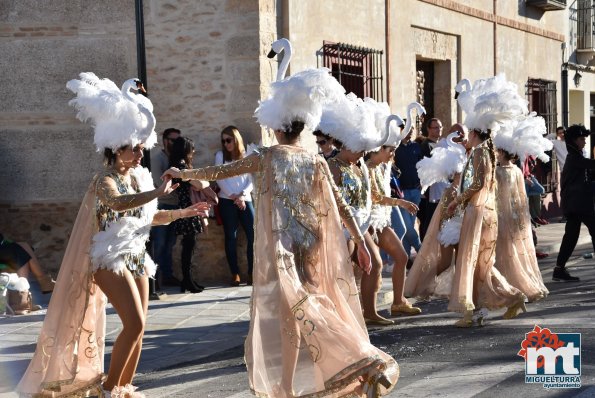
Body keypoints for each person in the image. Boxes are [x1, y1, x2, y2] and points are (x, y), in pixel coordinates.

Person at [164, 67, 398, 397]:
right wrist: (359, 240)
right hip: (311, 243)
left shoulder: (268, 157)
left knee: (306, 311)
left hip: (285, 249)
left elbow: (221, 171)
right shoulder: (315, 160)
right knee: (298, 316)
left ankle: (365, 361)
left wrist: (183, 172)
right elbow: (341, 206)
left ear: (276, 128)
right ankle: (288, 387)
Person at [17, 74, 209, 397]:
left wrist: (181, 213)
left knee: (140, 329)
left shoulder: (140, 177)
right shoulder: (103, 181)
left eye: (139, 148)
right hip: (109, 260)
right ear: (114, 149)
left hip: (136, 259)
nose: (138, 154)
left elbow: (149, 217)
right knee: (132, 323)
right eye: (131, 149)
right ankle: (108, 390)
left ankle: (123, 389)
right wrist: (155, 194)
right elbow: (119, 204)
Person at [445, 128, 526, 326]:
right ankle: (503, 301)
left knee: (471, 262)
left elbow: (477, 183)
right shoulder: (485, 150)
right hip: (484, 212)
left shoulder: (480, 151)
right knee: (481, 264)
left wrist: (457, 200)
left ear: (474, 133)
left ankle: (472, 312)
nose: (466, 137)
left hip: (477, 213)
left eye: (468, 133)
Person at [365, 145, 422, 317]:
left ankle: (398, 302)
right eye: (390, 150)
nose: (393, 154)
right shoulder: (367, 168)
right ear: (379, 149)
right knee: (368, 266)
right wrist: (400, 202)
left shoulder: (381, 166)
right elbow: (375, 196)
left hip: (381, 221)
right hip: (368, 223)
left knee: (401, 256)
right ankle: (366, 311)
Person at [494, 149, 549, 301]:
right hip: (514, 214)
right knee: (514, 249)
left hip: (501, 214)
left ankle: (508, 284)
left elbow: (495, 195)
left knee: (503, 250)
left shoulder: (497, 172)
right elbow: (521, 196)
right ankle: (516, 282)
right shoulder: (517, 170)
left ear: (502, 153)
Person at [555, 124, 595, 282]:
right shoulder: (574, 158)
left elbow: (588, 173)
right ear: (573, 141)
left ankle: (559, 269)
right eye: (581, 139)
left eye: (585, 138)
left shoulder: (576, 156)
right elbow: (590, 166)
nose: (584, 141)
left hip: (575, 204)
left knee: (571, 237)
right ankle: (559, 269)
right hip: (578, 204)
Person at [215, 126, 255, 286]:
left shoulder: (247, 154)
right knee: (230, 236)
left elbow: (252, 179)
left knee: (253, 236)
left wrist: (242, 195)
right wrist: (233, 196)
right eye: (223, 141)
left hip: (245, 200)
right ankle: (235, 274)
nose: (226, 144)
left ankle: (252, 273)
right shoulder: (220, 156)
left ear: (236, 139)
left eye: (228, 140)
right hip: (227, 200)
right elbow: (219, 177)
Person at [170, 136, 210, 293]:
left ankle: (188, 280)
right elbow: (199, 184)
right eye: (191, 149)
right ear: (185, 150)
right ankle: (187, 280)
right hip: (188, 208)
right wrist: (203, 182)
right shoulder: (180, 167)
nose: (193, 152)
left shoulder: (178, 166)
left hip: (187, 207)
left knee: (189, 245)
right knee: (189, 245)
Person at [150, 128, 182, 286]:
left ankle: (167, 276)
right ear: (165, 140)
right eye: (173, 140)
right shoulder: (157, 158)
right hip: (162, 204)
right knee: (160, 243)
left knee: (170, 243)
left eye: (178, 140)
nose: (175, 144)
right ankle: (154, 279)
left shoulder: (176, 158)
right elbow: (158, 184)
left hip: (175, 206)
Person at [393, 123, 423, 265]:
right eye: (407, 130)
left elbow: (422, 165)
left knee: (409, 225)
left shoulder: (416, 147)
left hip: (415, 191)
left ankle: (406, 261)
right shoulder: (395, 148)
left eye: (412, 130)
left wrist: (421, 183)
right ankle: (421, 251)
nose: (410, 133)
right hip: (402, 194)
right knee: (408, 227)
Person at [419, 118, 445, 239]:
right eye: (435, 127)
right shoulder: (425, 146)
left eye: (440, 127)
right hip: (430, 190)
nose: (439, 130)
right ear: (428, 129)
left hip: (441, 189)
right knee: (428, 221)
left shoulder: (442, 144)